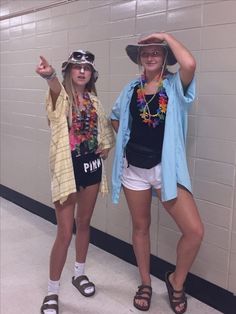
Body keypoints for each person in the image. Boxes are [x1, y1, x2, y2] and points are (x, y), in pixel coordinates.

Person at [110, 32, 204, 313]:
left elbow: (190, 64)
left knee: (194, 231)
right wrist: (125, 140)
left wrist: (164, 36)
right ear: (139, 59)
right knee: (141, 227)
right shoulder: (130, 89)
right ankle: (145, 283)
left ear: (164, 58)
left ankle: (176, 281)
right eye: (145, 52)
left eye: (157, 52)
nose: (150, 56)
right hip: (133, 170)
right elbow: (115, 117)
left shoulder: (174, 85)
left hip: (165, 169)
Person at [36, 50, 114, 314]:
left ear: (92, 74)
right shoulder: (62, 97)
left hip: (91, 167)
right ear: (69, 71)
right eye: (77, 67)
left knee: (84, 223)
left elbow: (103, 130)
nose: (82, 71)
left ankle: (79, 273)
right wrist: (51, 77)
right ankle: (52, 291)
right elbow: (57, 93)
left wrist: (105, 146)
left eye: (87, 68)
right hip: (68, 169)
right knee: (63, 231)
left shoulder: (94, 99)